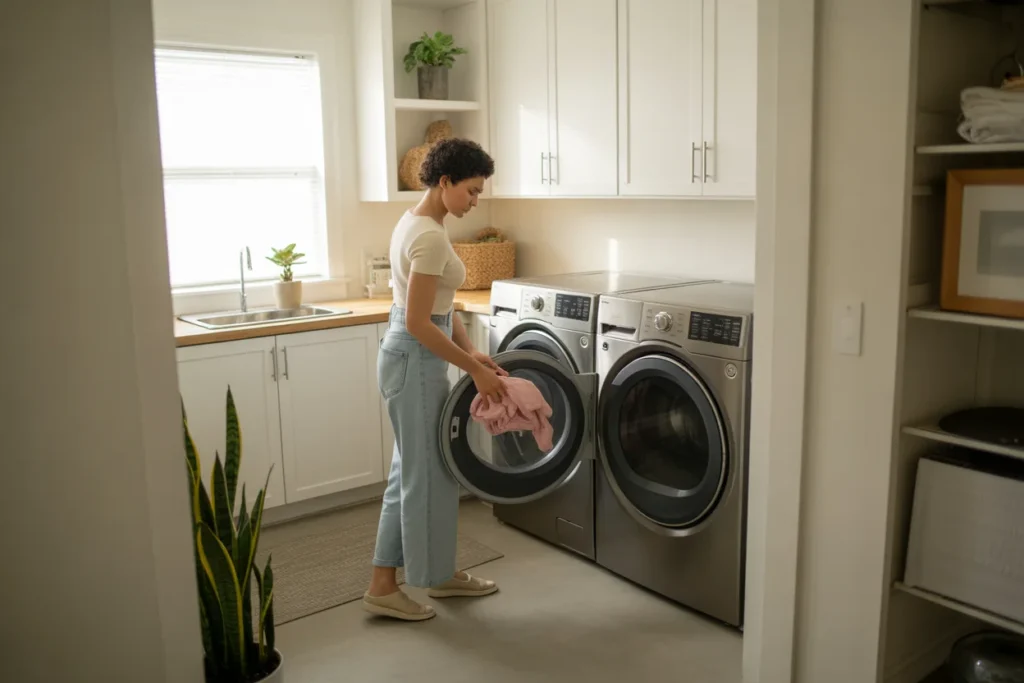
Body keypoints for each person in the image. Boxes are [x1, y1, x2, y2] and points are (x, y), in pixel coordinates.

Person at [363, 138, 508, 622]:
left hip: (413, 356)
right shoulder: (428, 235)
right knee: (427, 476)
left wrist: (472, 353)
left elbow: (443, 307)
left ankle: (427, 575)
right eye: (470, 190)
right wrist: (474, 372)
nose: (475, 200)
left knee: (416, 472)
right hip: (415, 358)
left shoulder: (418, 223)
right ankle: (396, 583)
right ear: (444, 182)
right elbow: (422, 321)